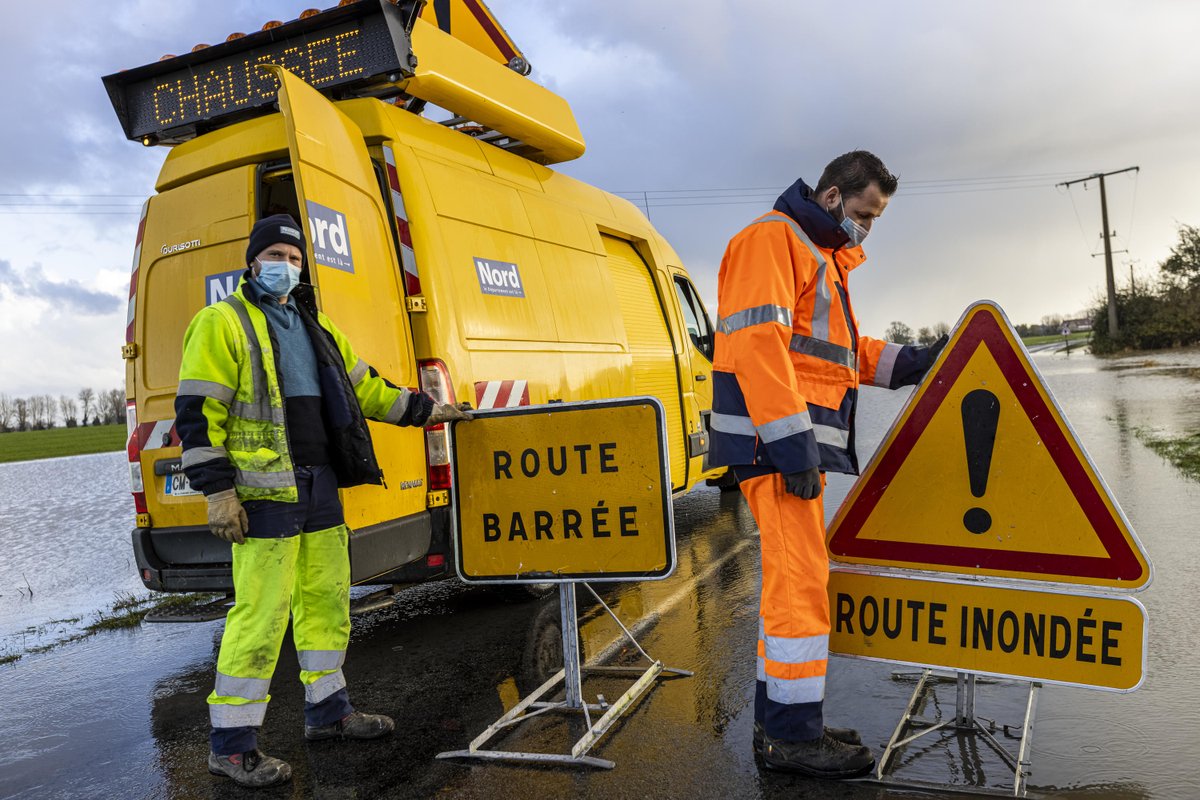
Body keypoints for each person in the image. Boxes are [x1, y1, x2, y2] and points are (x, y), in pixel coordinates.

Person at [175, 214, 471, 788]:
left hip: (319, 485)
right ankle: (232, 748)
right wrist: (217, 493)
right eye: (275, 255)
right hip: (264, 498)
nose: (285, 265)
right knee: (260, 617)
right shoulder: (221, 323)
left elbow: (366, 389)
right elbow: (196, 413)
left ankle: (330, 714)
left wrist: (426, 411)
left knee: (326, 603)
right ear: (252, 261)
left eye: (293, 255)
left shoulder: (316, 326)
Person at [710, 151, 946, 779]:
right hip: (776, 448)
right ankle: (792, 738)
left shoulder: (818, 256)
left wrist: (918, 362)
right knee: (800, 588)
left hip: (782, 447)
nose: (867, 228)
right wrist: (793, 450)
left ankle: (781, 724)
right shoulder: (773, 241)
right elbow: (758, 349)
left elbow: (841, 353)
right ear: (836, 196)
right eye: (866, 214)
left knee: (792, 585)